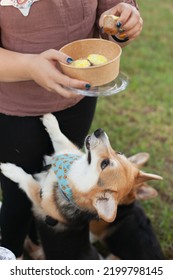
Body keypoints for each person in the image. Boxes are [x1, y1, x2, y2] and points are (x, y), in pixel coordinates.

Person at [0, 0, 144, 259]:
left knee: (59, 177)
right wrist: (30, 66)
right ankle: (12, 252)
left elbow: (112, 16)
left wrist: (123, 22)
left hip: (79, 98)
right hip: (13, 107)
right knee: (18, 192)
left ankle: (35, 241)